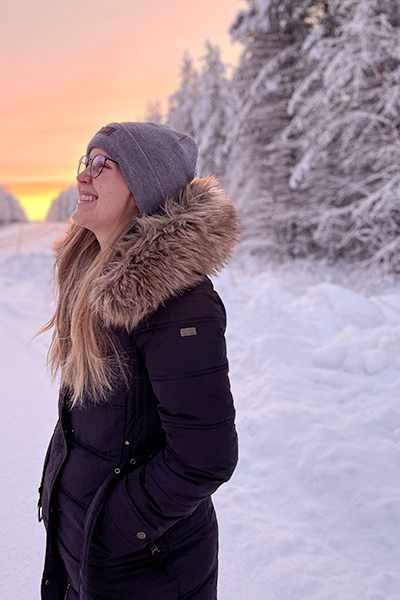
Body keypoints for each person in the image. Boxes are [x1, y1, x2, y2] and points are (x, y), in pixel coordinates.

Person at [36, 121, 240, 600]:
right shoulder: (92, 283)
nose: (84, 175)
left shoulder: (179, 303)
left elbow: (205, 458)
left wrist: (112, 527)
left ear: (143, 185)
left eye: (102, 164)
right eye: (85, 161)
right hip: (85, 555)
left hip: (143, 571)